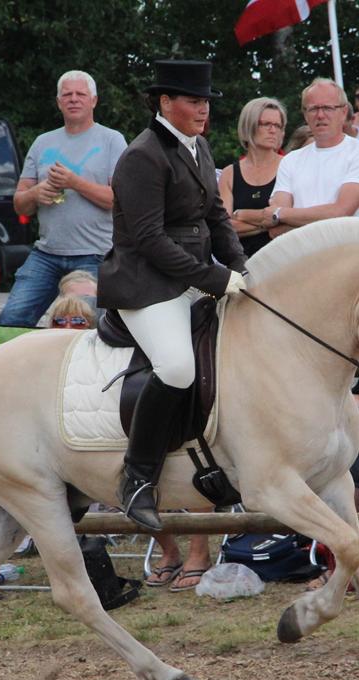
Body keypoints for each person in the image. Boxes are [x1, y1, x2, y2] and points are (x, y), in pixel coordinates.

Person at [97, 59, 248, 535]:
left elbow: (216, 217)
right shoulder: (142, 156)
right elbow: (148, 239)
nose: (204, 110)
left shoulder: (198, 146)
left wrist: (243, 267)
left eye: (206, 102)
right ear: (165, 102)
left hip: (189, 276)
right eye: (194, 101)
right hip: (145, 283)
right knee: (178, 367)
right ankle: (137, 478)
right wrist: (214, 278)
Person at [0, 70, 126, 327]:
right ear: (58, 102)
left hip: (96, 254)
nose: (73, 99)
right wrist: (35, 193)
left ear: (94, 100)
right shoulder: (42, 142)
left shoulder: (113, 140)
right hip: (46, 253)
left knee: (87, 324)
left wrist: (74, 182)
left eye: (80, 94)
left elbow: (120, 201)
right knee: (11, 320)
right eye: (67, 94)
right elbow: (20, 205)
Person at [236, 78, 359, 237]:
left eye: (328, 108)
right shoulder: (290, 160)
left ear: (344, 112)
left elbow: (341, 212)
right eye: (313, 109)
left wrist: (280, 213)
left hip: (348, 251)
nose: (320, 115)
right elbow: (276, 230)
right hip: (300, 252)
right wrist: (283, 216)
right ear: (305, 114)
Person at [218, 97, 286, 257]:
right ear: (249, 125)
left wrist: (243, 215)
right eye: (266, 124)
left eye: (278, 125)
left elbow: (290, 218)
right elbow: (224, 228)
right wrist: (269, 223)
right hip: (242, 261)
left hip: (282, 259)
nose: (273, 130)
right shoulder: (229, 174)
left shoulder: (289, 166)